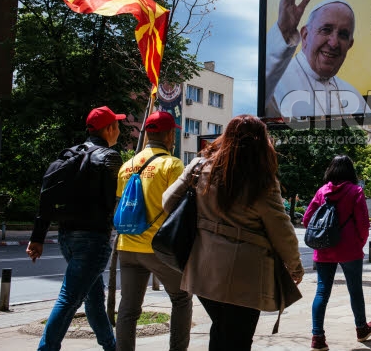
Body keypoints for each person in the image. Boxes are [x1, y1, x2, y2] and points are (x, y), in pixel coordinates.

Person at [163, 115, 304, 350]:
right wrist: (295, 266)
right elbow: (281, 229)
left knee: (220, 330)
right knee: (237, 339)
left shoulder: (199, 166)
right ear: (262, 142)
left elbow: (168, 202)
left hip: (202, 267)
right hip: (245, 275)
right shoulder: (261, 180)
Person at [27, 106, 125, 351]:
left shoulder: (69, 155)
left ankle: (111, 346)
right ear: (110, 128)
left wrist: (37, 238)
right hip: (93, 239)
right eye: (118, 126)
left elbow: (46, 198)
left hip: (66, 237)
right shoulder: (109, 157)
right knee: (69, 299)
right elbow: (111, 201)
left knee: (93, 299)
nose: (119, 131)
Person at [115, 111, 192, 351]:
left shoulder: (127, 166)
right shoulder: (172, 164)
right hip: (158, 248)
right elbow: (180, 209)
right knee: (181, 298)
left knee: (128, 309)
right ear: (170, 136)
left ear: (147, 134)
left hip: (127, 247)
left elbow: (121, 204)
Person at [264, 0, 371, 117]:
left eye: (343, 35)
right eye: (326, 30)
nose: (334, 43)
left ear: (350, 45)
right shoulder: (275, 82)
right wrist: (283, 31)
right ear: (305, 35)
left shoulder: (354, 96)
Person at [303, 155, 371, 351]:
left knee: (321, 291)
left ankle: (317, 337)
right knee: (355, 290)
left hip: (324, 248)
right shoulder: (355, 191)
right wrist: (358, 244)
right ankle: (361, 328)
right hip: (350, 249)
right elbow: (362, 223)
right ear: (350, 172)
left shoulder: (321, 192)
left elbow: (307, 220)